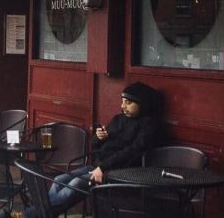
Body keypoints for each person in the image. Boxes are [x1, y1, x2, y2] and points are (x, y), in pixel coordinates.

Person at [44, 82, 162, 212]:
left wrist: (103, 168)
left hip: (118, 173)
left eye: (128, 102)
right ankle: (43, 214)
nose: (123, 106)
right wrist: (98, 138)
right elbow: (95, 145)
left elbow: (131, 152)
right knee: (58, 180)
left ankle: (34, 213)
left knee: (75, 184)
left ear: (142, 103)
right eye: (122, 102)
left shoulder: (149, 126)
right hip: (98, 166)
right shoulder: (118, 119)